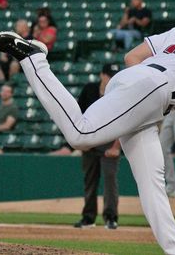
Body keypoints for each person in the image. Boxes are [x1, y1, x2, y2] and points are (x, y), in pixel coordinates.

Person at [0, 2, 175, 255]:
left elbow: (132, 58)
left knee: (152, 183)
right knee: (80, 134)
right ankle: (35, 59)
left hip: (138, 80)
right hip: (156, 91)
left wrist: (147, 94)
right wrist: (155, 97)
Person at [73, 63, 122, 230]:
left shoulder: (119, 94)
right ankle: (88, 218)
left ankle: (111, 218)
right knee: (90, 181)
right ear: (102, 75)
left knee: (110, 180)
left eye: (114, 75)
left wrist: (116, 146)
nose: (111, 78)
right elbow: (78, 115)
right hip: (90, 141)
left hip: (110, 141)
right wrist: (81, 141)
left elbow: (125, 121)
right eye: (109, 75)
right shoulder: (89, 90)